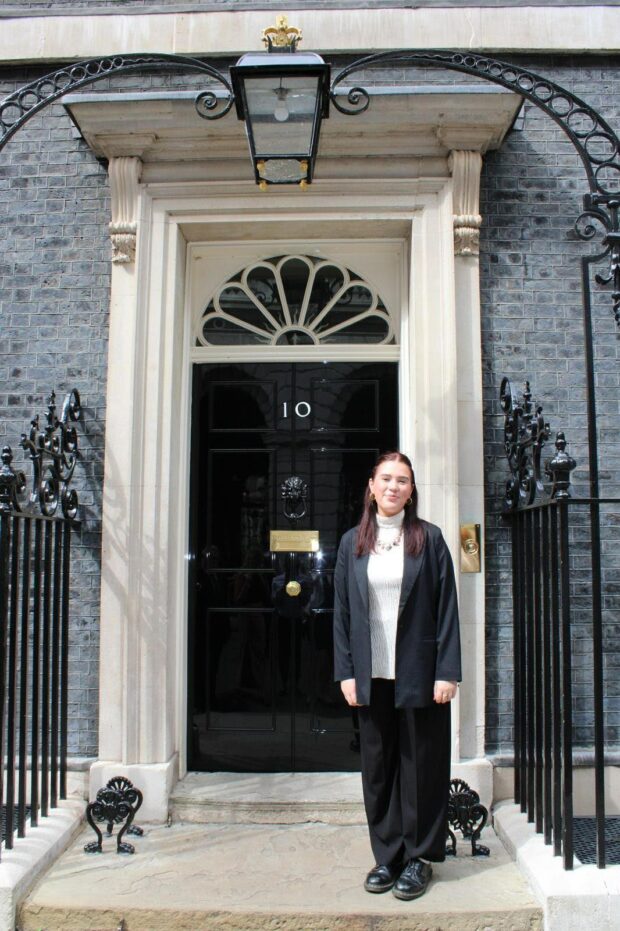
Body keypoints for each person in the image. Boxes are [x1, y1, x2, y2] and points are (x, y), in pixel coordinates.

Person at [333, 451, 461, 901]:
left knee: (421, 766)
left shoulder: (430, 539)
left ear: (412, 490)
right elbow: (343, 614)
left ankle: (419, 858)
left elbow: (447, 609)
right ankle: (387, 854)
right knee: (379, 767)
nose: (393, 487)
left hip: (420, 674)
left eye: (402, 480)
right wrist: (346, 673)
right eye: (385, 478)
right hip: (371, 676)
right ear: (370, 485)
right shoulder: (353, 543)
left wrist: (447, 672)